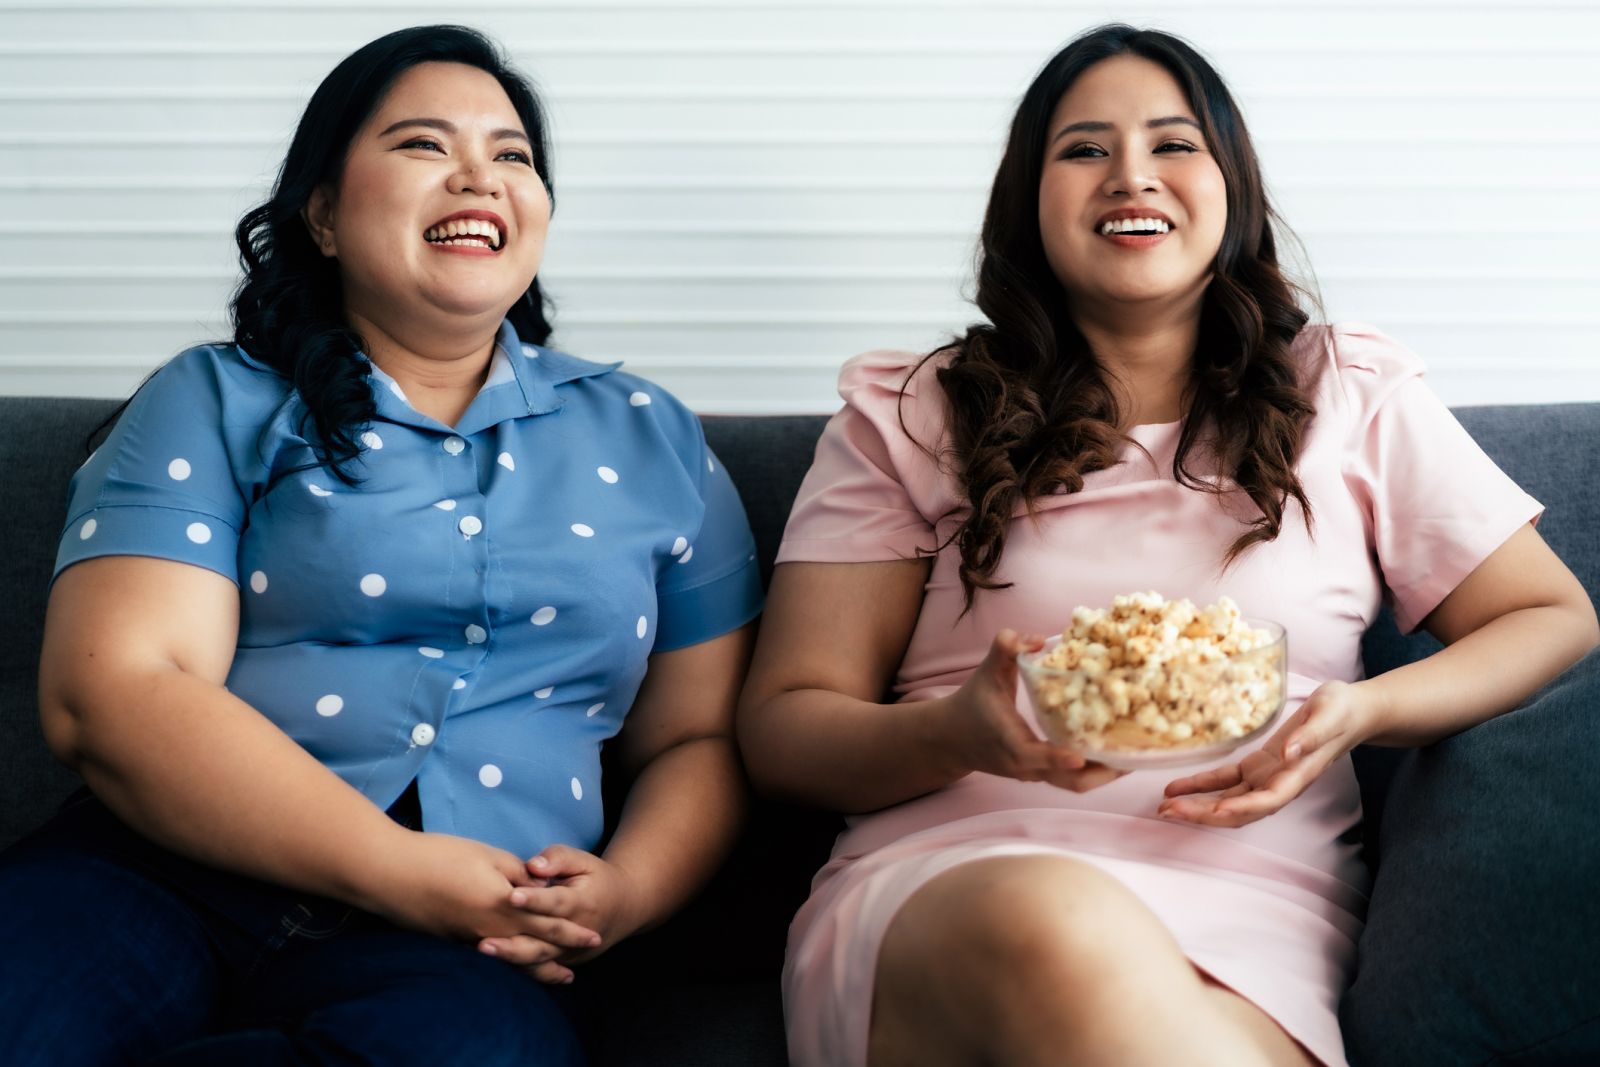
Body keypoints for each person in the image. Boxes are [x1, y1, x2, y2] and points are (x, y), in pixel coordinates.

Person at [737, 23, 1598, 1067]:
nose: (1129, 175)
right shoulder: (915, 411)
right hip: (960, 886)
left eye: (1173, 143)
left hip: (1259, 918)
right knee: (1054, 923)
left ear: (1229, 183)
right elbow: (785, 727)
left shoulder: (1349, 390)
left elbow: (1548, 613)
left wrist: (1360, 711)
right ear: (1028, 198)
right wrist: (962, 732)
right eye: (1084, 148)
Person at [0, 24, 761, 1067]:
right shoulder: (214, 398)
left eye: (512, 156)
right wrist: (398, 866)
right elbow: (117, 689)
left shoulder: (653, 436)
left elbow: (696, 741)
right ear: (320, 211)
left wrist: (623, 891)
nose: (477, 177)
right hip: (163, 874)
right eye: (421, 144)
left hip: (476, 933)